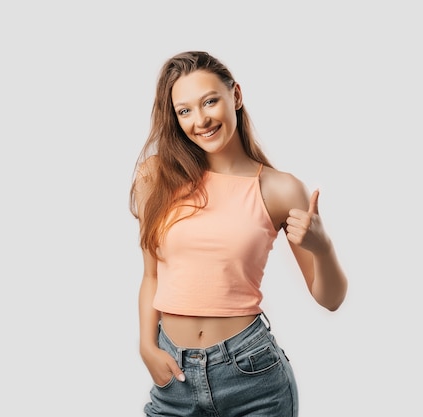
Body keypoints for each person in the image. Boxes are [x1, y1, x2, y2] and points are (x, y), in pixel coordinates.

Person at [129, 50, 348, 417]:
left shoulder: (279, 189)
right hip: (174, 376)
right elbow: (151, 275)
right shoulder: (156, 178)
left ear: (236, 96)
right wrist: (146, 346)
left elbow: (331, 299)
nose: (200, 120)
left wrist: (322, 248)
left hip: (252, 376)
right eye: (184, 111)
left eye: (210, 101)